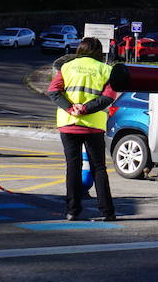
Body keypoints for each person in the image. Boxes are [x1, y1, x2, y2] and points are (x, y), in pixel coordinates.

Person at [45, 38, 117, 221]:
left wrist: (71, 108)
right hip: (93, 125)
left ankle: (72, 211)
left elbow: (53, 91)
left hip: (68, 124)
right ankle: (107, 212)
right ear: (99, 52)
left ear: (80, 49)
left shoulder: (67, 67)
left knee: (73, 167)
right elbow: (108, 97)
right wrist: (85, 109)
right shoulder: (106, 70)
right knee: (99, 168)